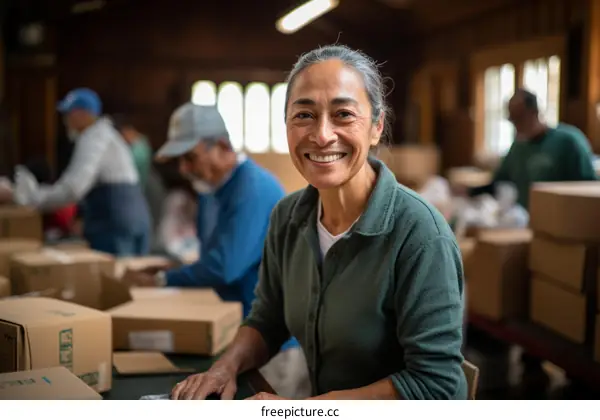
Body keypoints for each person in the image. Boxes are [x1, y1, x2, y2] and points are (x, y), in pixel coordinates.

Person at [171, 45, 467, 401]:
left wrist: (302, 409)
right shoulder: (287, 217)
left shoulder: (420, 235)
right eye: (304, 115)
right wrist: (225, 367)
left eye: (343, 114)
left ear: (377, 126)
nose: (322, 135)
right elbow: (268, 319)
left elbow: (435, 385)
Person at [127, 102, 309, 398]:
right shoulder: (211, 190)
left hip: (269, 348)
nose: (184, 169)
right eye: (180, 160)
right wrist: (173, 270)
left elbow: (225, 266)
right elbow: (210, 255)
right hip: (229, 335)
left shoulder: (253, 188)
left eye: (190, 157)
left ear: (222, 145)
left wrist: (164, 280)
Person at [9, 88, 152, 256]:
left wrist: (31, 198)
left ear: (81, 114)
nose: (65, 120)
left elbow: (73, 188)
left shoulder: (93, 138)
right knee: (132, 277)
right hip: (134, 218)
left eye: (68, 114)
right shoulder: (107, 134)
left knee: (115, 278)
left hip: (114, 223)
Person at [468, 88, 597, 209]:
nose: (516, 125)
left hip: (561, 221)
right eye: (512, 119)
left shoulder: (568, 141)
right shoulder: (518, 146)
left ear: (534, 113)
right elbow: (500, 181)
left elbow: (588, 189)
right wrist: (470, 191)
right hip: (525, 220)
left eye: (519, 118)